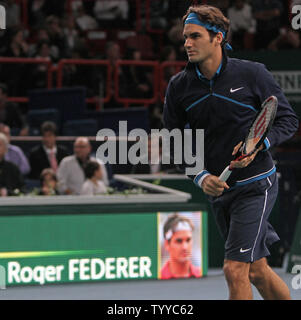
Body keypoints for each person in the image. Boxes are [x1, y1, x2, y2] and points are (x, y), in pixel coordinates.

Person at [163, 4, 299, 300]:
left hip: (256, 185)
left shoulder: (252, 74)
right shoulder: (179, 87)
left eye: (195, 36)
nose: (187, 43)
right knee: (257, 271)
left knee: (234, 269)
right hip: (219, 191)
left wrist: (259, 144)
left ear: (218, 38)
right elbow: (174, 144)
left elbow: (288, 119)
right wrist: (200, 177)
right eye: (185, 37)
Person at [161, 214, 201, 279]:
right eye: (179, 241)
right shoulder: (160, 275)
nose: (184, 247)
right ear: (167, 244)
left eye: (188, 240)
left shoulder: (200, 273)